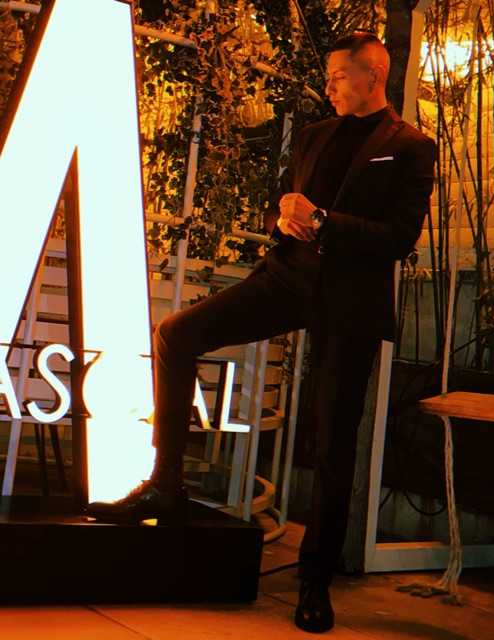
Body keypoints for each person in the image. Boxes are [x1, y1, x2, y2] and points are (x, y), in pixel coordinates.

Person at [88, 32, 436, 633]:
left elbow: (399, 238)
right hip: (287, 278)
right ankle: (165, 484)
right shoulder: (314, 134)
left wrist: (324, 222)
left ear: (372, 76)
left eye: (338, 76)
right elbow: (288, 202)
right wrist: (284, 219)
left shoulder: (409, 146)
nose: (328, 85)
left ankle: (315, 580)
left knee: (332, 443)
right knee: (175, 335)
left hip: (349, 299)